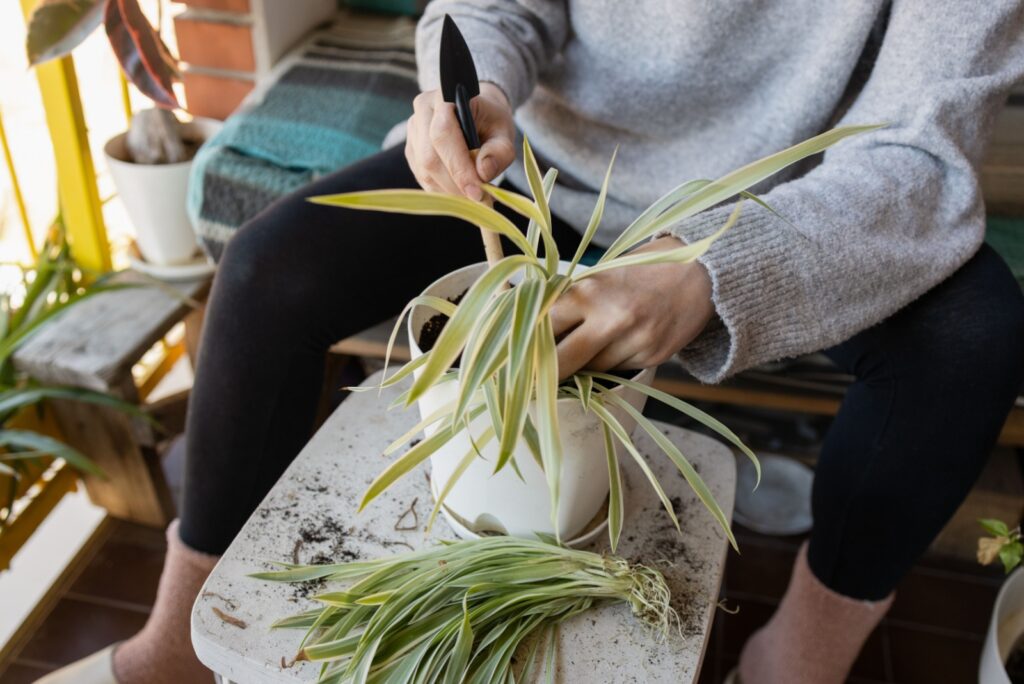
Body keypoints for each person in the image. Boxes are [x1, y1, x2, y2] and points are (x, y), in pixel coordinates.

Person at [40, 1, 1024, 683]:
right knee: (267, 270)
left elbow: (919, 148)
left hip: (774, 210)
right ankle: (174, 643)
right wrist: (467, 99)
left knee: (972, 335)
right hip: (538, 169)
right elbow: (492, 10)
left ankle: (789, 667)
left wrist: (719, 270)